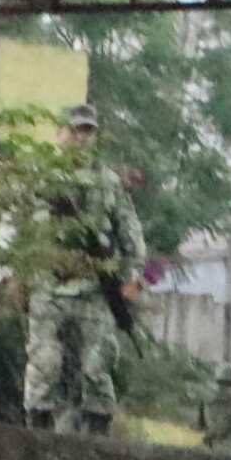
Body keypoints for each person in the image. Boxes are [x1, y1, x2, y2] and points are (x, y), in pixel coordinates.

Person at [28, 101, 148, 439]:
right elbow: (14, 224)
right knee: (44, 364)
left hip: (95, 289)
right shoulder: (40, 177)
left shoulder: (108, 183)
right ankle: (34, 438)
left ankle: (99, 442)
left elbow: (130, 234)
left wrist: (132, 279)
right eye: (75, 129)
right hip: (49, 286)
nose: (81, 138)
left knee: (97, 368)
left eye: (87, 131)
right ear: (59, 132)